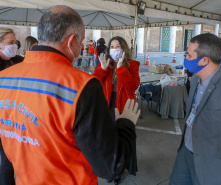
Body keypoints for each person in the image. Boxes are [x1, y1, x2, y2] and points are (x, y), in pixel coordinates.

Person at [0, 5, 140, 185]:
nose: (81, 46)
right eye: (80, 41)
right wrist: (126, 123)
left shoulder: (4, 78)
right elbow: (110, 166)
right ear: (71, 41)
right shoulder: (80, 85)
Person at [169, 33, 221, 185]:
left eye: (188, 55)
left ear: (204, 60)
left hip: (211, 164)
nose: (185, 58)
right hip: (185, 153)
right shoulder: (195, 79)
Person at [93, 36, 140, 184]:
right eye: (112, 46)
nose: (114, 49)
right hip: (107, 104)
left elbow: (132, 86)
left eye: (117, 46)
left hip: (124, 105)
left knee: (123, 135)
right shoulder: (105, 63)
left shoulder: (132, 65)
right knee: (108, 137)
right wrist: (102, 68)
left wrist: (120, 68)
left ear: (123, 48)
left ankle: (122, 167)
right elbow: (94, 83)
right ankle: (112, 167)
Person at [0, 27, 24, 185]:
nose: (14, 46)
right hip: (3, 118)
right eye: (10, 42)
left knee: (16, 160)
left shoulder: (18, 60)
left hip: (17, 116)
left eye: (15, 42)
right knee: (7, 162)